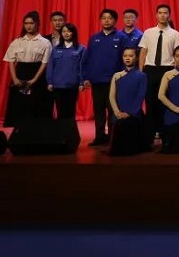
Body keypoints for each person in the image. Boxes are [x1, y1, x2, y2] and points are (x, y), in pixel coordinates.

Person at [82, 9, 126, 146]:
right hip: (97, 81)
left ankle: (113, 137)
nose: (106, 20)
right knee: (98, 110)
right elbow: (88, 59)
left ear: (115, 20)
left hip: (114, 81)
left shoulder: (121, 37)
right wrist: (86, 77)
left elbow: (125, 59)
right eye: (104, 18)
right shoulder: (94, 38)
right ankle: (99, 136)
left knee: (113, 110)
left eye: (110, 18)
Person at [139, 4, 179, 140]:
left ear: (169, 15)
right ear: (156, 15)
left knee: (166, 100)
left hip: (167, 69)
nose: (163, 15)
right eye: (160, 13)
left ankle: (165, 131)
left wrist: (176, 72)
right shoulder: (148, 32)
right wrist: (140, 71)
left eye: (165, 13)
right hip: (150, 69)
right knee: (150, 101)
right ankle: (151, 132)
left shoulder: (175, 34)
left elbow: (177, 54)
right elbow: (143, 52)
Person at [2, 11, 52, 127]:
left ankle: (37, 131)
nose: (29, 26)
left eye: (31, 23)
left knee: (36, 104)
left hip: (37, 74)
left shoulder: (45, 42)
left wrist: (34, 79)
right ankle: (19, 130)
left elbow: (44, 63)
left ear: (37, 24)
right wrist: (15, 79)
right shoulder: (17, 42)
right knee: (20, 104)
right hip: (20, 73)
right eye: (26, 23)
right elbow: (11, 61)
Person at [107, 47, 149, 156]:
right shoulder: (117, 75)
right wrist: (117, 112)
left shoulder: (142, 76)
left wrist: (130, 113)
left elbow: (140, 96)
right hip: (119, 112)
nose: (127, 58)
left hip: (134, 112)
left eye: (131, 56)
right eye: (125, 56)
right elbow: (112, 96)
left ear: (136, 58)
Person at [46, 22, 84, 122]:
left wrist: (81, 83)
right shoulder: (56, 49)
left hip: (72, 85)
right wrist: (49, 82)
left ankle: (70, 132)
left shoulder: (81, 49)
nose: (66, 33)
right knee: (60, 111)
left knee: (70, 111)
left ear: (73, 33)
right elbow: (50, 66)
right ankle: (61, 131)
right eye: (63, 31)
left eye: (69, 31)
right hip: (58, 85)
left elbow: (82, 67)